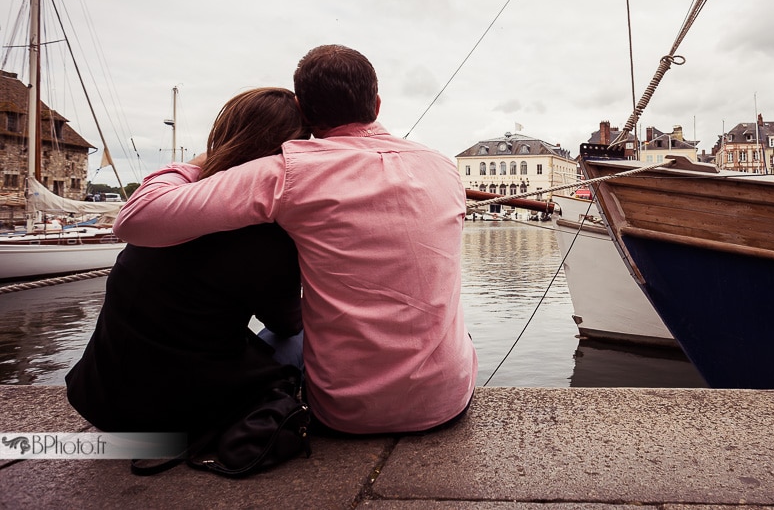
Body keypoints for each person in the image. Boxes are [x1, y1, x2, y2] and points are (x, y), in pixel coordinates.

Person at [113, 45, 478, 435]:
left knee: (285, 334)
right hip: (447, 402)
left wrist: (204, 160)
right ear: (376, 102)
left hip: (346, 415)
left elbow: (136, 220)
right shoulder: (444, 167)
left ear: (303, 109)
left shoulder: (287, 172)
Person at [66, 87, 309, 436]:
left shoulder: (163, 208)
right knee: (307, 334)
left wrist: (213, 158)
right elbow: (288, 323)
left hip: (101, 401)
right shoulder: (266, 237)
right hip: (182, 415)